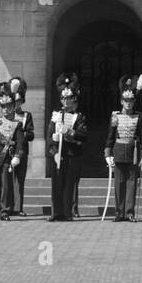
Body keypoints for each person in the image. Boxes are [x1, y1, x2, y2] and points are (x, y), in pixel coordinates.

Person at [106, 75, 142, 221]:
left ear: (134, 101)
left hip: (133, 153)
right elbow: (110, 137)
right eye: (126, 101)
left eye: (131, 101)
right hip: (118, 152)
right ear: (121, 101)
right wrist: (108, 154)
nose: (128, 104)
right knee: (119, 183)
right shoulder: (115, 116)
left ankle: (129, 212)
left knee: (131, 183)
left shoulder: (139, 116)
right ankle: (119, 212)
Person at [48, 73, 88, 221]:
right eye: (63, 98)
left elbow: (83, 135)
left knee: (69, 184)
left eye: (68, 98)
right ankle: (56, 212)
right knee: (56, 184)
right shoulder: (55, 115)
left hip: (72, 154)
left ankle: (67, 212)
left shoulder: (79, 117)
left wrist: (70, 132)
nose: (66, 101)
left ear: (73, 99)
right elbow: (49, 137)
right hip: (58, 154)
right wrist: (54, 151)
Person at [0, 82, 24, 221]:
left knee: (6, 185)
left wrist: (17, 156)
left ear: (13, 106)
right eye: (3, 106)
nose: (6, 109)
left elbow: (20, 142)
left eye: (9, 106)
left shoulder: (17, 123)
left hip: (8, 155)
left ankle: (4, 210)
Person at [11, 78, 34, 215]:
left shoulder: (27, 116)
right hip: (8, 149)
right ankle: (7, 206)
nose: (17, 104)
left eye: (19, 101)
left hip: (21, 150)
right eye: (14, 102)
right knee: (7, 180)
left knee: (19, 180)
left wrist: (22, 135)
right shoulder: (6, 115)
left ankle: (17, 207)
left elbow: (31, 134)